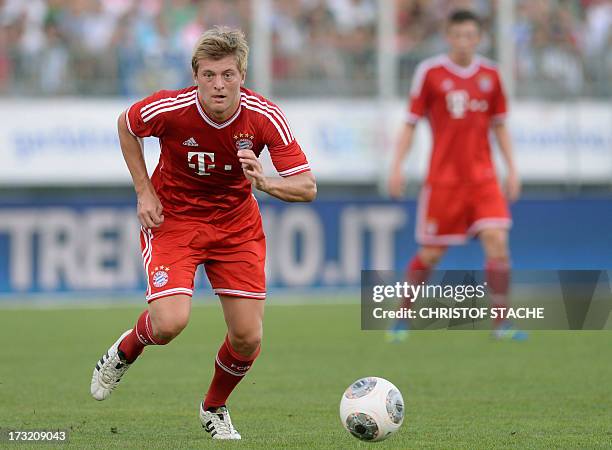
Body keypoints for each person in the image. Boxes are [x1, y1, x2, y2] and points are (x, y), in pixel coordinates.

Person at [90, 26, 316, 440]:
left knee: (247, 337)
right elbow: (125, 124)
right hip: (174, 221)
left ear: (242, 77)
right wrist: (144, 191)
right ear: (195, 75)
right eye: (209, 75)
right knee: (169, 323)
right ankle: (126, 349)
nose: (218, 84)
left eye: (228, 74)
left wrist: (266, 184)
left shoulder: (265, 117)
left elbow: (307, 186)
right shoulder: (170, 109)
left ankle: (214, 407)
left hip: (236, 227)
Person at [387, 10, 526, 341]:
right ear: (448, 37)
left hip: (483, 179)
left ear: (479, 38)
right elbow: (410, 123)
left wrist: (512, 169)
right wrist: (396, 166)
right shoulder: (430, 73)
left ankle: (501, 323)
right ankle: (402, 316)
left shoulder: (491, 75)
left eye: (470, 35)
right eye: (458, 35)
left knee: (498, 241)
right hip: (444, 181)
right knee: (432, 254)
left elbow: (500, 125)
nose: (464, 41)